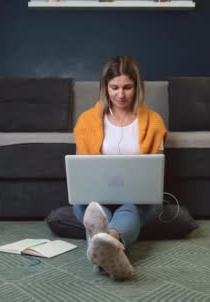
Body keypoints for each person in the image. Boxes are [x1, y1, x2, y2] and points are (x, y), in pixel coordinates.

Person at [72, 56, 167, 279]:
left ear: (138, 87)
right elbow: (81, 170)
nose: (120, 95)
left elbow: (156, 171)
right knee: (92, 209)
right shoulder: (87, 120)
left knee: (131, 207)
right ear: (105, 87)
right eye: (114, 87)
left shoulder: (154, 122)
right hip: (96, 198)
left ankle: (108, 238)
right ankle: (110, 248)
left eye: (127, 87)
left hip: (138, 200)